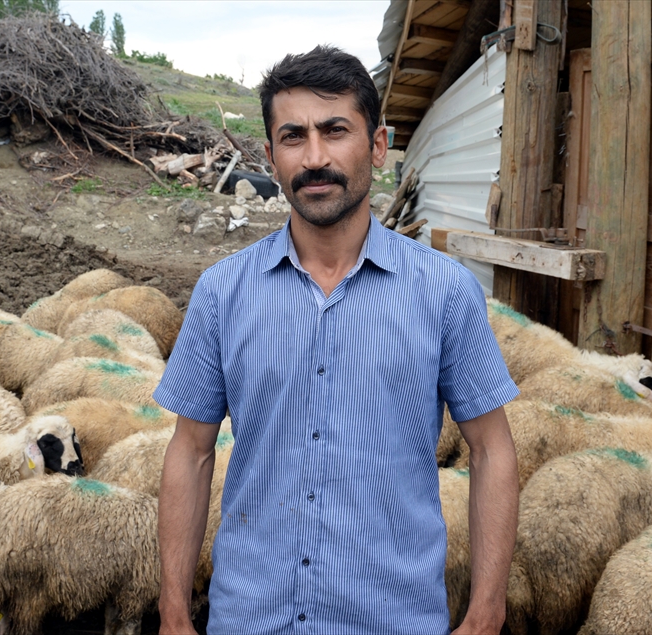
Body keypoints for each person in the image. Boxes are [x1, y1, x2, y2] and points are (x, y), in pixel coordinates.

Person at [155, 45, 520, 635]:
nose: (315, 157)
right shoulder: (222, 293)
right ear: (271, 157)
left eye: (335, 130)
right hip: (253, 616)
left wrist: (487, 611)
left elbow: (492, 450)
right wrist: (173, 611)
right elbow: (191, 452)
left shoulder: (445, 292)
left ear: (377, 146)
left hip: (393, 617)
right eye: (294, 137)